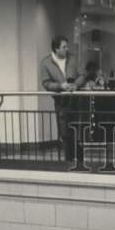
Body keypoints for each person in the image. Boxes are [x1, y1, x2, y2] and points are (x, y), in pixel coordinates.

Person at [40, 34, 84, 162]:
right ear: (56, 49)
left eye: (67, 46)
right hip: (60, 102)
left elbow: (82, 74)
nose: (67, 49)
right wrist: (61, 86)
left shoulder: (73, 59)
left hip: (75, 101)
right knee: (64, 134)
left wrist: (76, 85)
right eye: (64, 47)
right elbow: (46, 83)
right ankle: (71, 161)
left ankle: (75, 161)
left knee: (75, 133)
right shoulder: (46, 63)